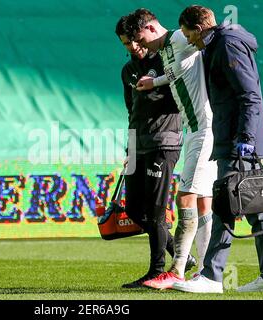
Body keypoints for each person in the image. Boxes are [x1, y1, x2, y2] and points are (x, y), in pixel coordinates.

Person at [172, 5, 263, 293]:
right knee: (257, 209)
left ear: (198, 28)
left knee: (225, 204)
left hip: (239, 142)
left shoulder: (227, 45)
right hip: (235, 138)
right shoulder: (218, 45)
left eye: (188, 34)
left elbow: (249, 94)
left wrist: (245, 138)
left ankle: (211, 276)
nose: (188, 40)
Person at [124, 8, 216, 289]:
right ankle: (205, 272)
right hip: (194, 131)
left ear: (152, 28)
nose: (139, 46)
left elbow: (212, 35)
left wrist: (231, 33)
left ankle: (178, 270)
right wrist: (156, 81)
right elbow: (179, 72)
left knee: (185, 198)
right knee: (201, 201)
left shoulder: (178, 38)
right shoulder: (163, 52)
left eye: (140, 39)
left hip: (201, 130)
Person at [115, 15, 196, 289]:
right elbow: (132, 112)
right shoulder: (127, 72)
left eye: (135, 41)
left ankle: (156, 271)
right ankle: (181, 253)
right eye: (127, 43)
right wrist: (130, 148)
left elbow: (179, 99)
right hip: (139, 144)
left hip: (165, 141)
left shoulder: (164, 61)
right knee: (135, 210)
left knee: (156, 211)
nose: (133, 47)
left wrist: (155, 85)